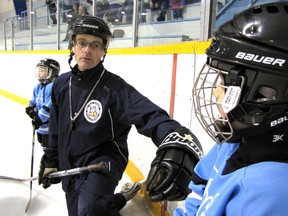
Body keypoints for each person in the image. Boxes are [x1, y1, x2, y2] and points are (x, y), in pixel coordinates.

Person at [37, 15, 203, 216]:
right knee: (81, 211)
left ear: (103, 51)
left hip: (102, 163)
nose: (87, 50)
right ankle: (121, 197)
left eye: (95, 45)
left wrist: (175, 135)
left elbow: (151, 115)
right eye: (82, 42)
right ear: (72, 45)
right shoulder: (62, 84)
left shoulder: (115, 89)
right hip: (70, 165)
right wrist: (51, 160)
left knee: (90, 208)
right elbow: (56, 127)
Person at [174, 2, 288, 215]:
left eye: (224, 82)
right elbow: (199, 195)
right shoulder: (235, 140)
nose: (217, 92)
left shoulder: (273, 193)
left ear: (264, 95)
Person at [25, 59, 60, 152]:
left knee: (51, 150)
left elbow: (49, 105)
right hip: (40, 128)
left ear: (52, 72)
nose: (40, 73)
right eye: (39, 70)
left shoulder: (53, 87)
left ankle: (52, 163)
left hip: (50, 128)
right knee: (44, 147)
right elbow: (34, 99)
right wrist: (31, 107)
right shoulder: (37, 86)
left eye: (43, 70)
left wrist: (39, 118)